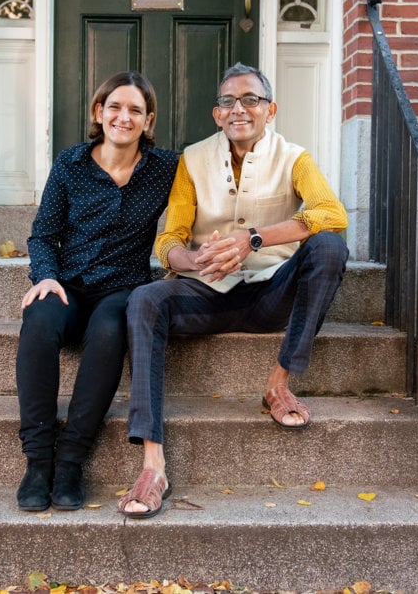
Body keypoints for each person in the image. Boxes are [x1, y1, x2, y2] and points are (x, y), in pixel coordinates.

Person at [117, 62, 349, 518]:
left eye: (250, 99)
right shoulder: (193, 159)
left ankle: (279, 383)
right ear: (217, 114)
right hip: (205, 294)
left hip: (270, 293)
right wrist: (192, 259)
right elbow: (170, 239)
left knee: (329, 247)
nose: (238, 108)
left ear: (271, 110)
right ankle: (152, 463)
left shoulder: (294, 157)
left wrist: (253, 239)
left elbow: (331, 212)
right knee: (143, 299)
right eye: (228, 101)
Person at [15, 71, 177, 512]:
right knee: (39, 318)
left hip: (122, 287)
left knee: (110, 332)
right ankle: (37, 462)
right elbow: (43, 235)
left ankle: (70, 461)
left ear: (148, 121)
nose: (124, 117)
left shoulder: (166, 168)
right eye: (115, 107)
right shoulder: (70, 163)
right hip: (67, 283)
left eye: (135, 111)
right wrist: (45, 275)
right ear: (98, 113)